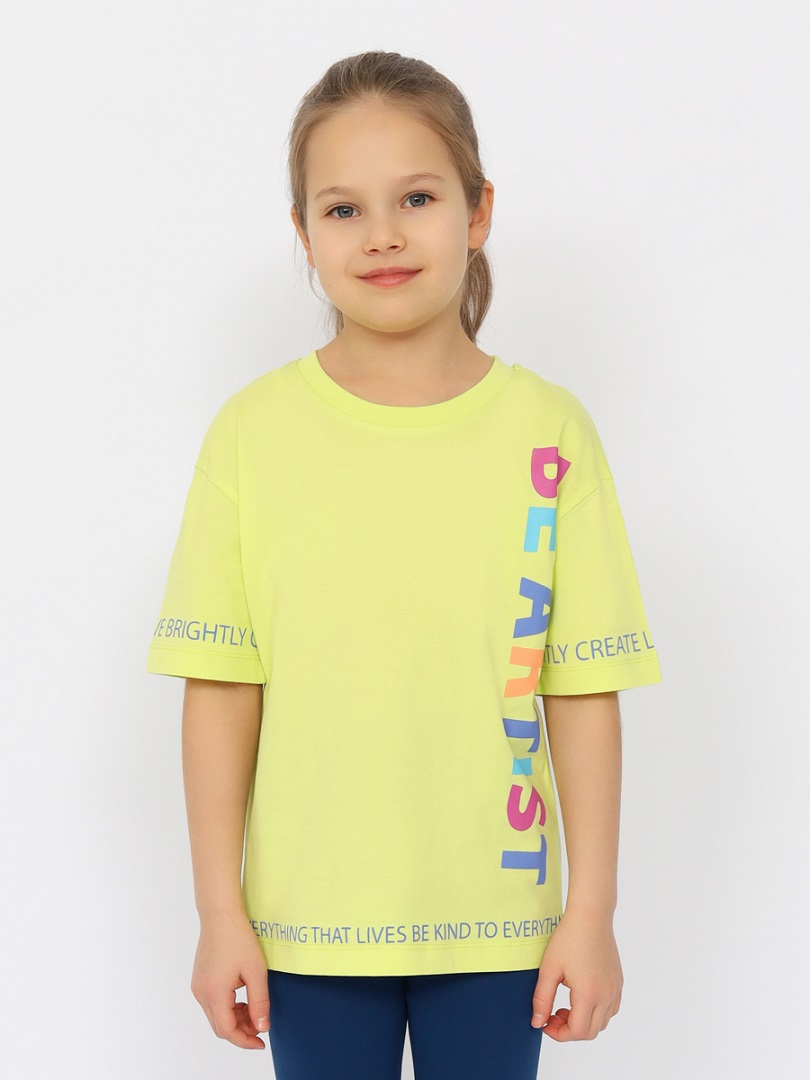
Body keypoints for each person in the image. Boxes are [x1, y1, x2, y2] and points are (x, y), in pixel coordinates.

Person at [146, 49, 662, 1080]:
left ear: (477, 211)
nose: (381, 234)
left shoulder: (550, 431)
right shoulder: (252, 434)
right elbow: (223, 687)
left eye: (417, 198)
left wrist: (592, 910)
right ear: (304, 234)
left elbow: (580, 687)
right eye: (343, 209)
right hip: (306, 928)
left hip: (501, 926)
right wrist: (219, 912)